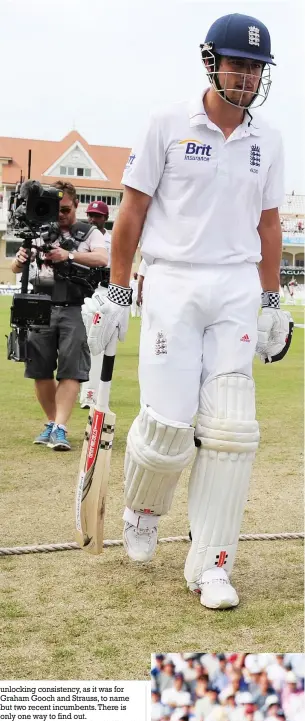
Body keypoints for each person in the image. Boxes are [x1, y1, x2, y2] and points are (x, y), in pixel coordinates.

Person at [87, 12, 293, 608]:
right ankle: (143, 510)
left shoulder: (269, 140)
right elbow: (131, 212)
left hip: (233, 286)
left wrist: (270, 296)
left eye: (257, 67)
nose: (248, 76)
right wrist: (120, 291)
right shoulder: (167, 123)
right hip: (173, 281)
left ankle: (213, 566)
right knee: (170, 423)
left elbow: (270, 224)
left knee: (230, 430)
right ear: (211, 62)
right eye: (238, 63)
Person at [12, 181, 108, 450]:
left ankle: (61, 427)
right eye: (57, 209)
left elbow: (101, 259)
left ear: (76, 205)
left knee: (71, 368)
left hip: (73, 307)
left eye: (66, 209)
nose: (61, 214)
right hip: (39, 304)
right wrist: (20, 259)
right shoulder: (39, 228)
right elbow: (15, 268)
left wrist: (68, 255)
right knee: (39, 369)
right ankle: (52, 423)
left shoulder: (88, 233)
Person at [79, 200, 111, 409]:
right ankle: (77, 389)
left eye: (97, 215)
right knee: (79, 344)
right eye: (90, 214)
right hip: (83, 293)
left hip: (104, 292)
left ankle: (91, 394)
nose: (92, 219)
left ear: (105, 218)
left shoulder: (113, 240)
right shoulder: (80, 236)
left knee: (96, 343)